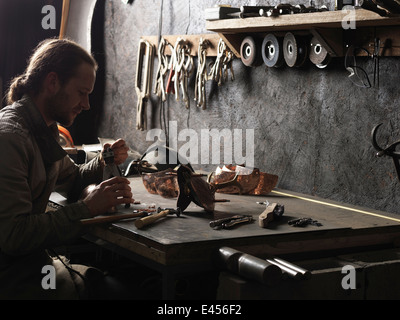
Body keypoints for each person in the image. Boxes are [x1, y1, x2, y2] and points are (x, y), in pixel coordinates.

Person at [0, 38, 134, 299]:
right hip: (11, 278)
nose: (86, 105)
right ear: (52, 82)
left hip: (31, 266)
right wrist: (87, 208)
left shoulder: (43, 130)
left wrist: (105, 159)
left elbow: (73, 179)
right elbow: (14, 236)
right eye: (82, 92)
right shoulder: (11, 139)